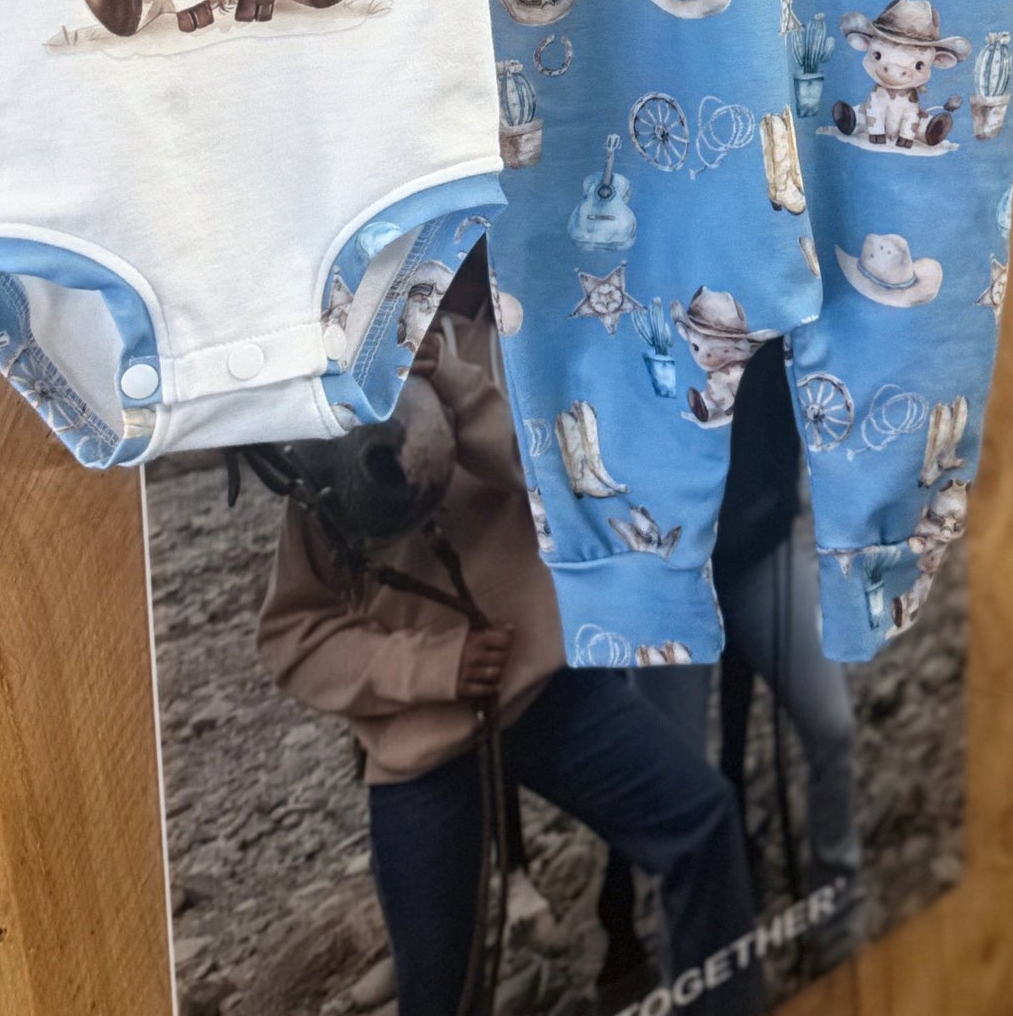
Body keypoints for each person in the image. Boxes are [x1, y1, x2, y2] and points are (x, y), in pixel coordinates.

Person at [257, 286, 766, 1016]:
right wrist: (435, 667)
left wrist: (456, 386)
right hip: (422, 740)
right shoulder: (331, 415)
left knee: (701, 821)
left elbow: (565, 485)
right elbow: (291, 634)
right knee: (443, 992)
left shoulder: (507, 345)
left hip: (542, 693)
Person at [635, 343, 862, 965]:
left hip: (760, 553)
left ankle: (839, 921)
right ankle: (692, 973)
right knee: (674, 793)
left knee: (833, 727)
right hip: (668, 578)